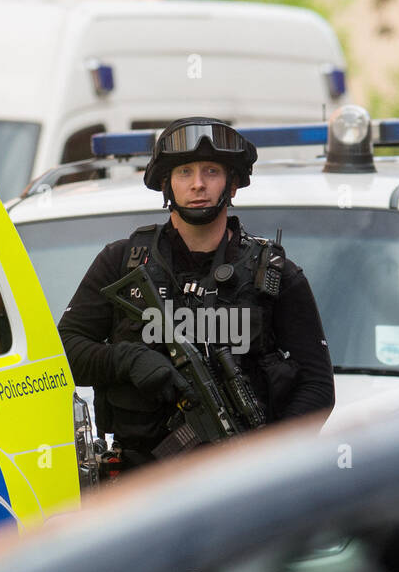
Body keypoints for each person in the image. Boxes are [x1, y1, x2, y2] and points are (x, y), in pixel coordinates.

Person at [58, 117, 334, 472]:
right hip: (141, 480)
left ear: (232, 184)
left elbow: (317, 386)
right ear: (166, 185)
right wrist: (128, 360)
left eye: (212, 171)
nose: (198, 184)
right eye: (185, 172)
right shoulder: (122, 262)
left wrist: (272, 458)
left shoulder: (274, 274)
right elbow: (65, 348)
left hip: (244, 474)